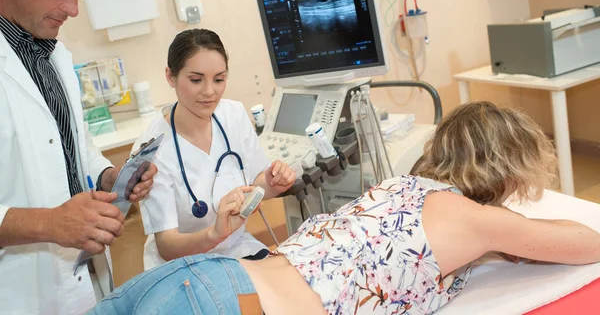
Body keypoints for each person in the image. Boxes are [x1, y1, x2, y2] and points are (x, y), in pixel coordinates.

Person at [91, 101, 600, 314]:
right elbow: (586, 243)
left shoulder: (399, 187)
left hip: (205, 277)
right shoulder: (477, 219)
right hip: (234, 304)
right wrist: (511, 229)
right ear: (508, 170)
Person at [0, 0, 156, 314]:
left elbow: (70, 144)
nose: (71, 10)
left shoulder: (51, 53)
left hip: (80, 278)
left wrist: (109, 177)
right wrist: (49, 224)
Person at [134, 28, 295, 270]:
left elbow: (255, 185)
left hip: (237, 250)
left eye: (219, 79)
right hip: (182, 265)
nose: (210, 92)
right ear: (170, 76)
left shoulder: (233, 115)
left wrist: (272, 183)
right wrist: (215, 234)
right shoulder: (151, 150)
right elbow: (167, 246)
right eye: (196, 80)